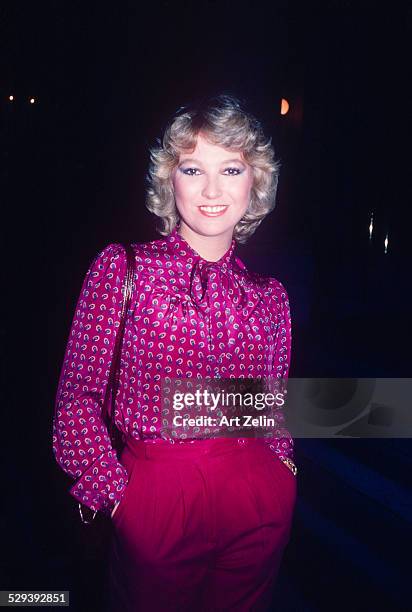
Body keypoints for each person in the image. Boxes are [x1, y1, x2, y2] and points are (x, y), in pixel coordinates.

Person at [52, 93, 297, 611]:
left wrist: (282, 469)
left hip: (257, 496)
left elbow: (268, 410)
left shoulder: (271, 296)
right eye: (192, 169)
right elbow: (76, 399)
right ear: (170, 180)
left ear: (255, 183)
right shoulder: (123, 270)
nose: (212, 190)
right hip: (157, 497)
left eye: (231, 169)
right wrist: (117, 497)